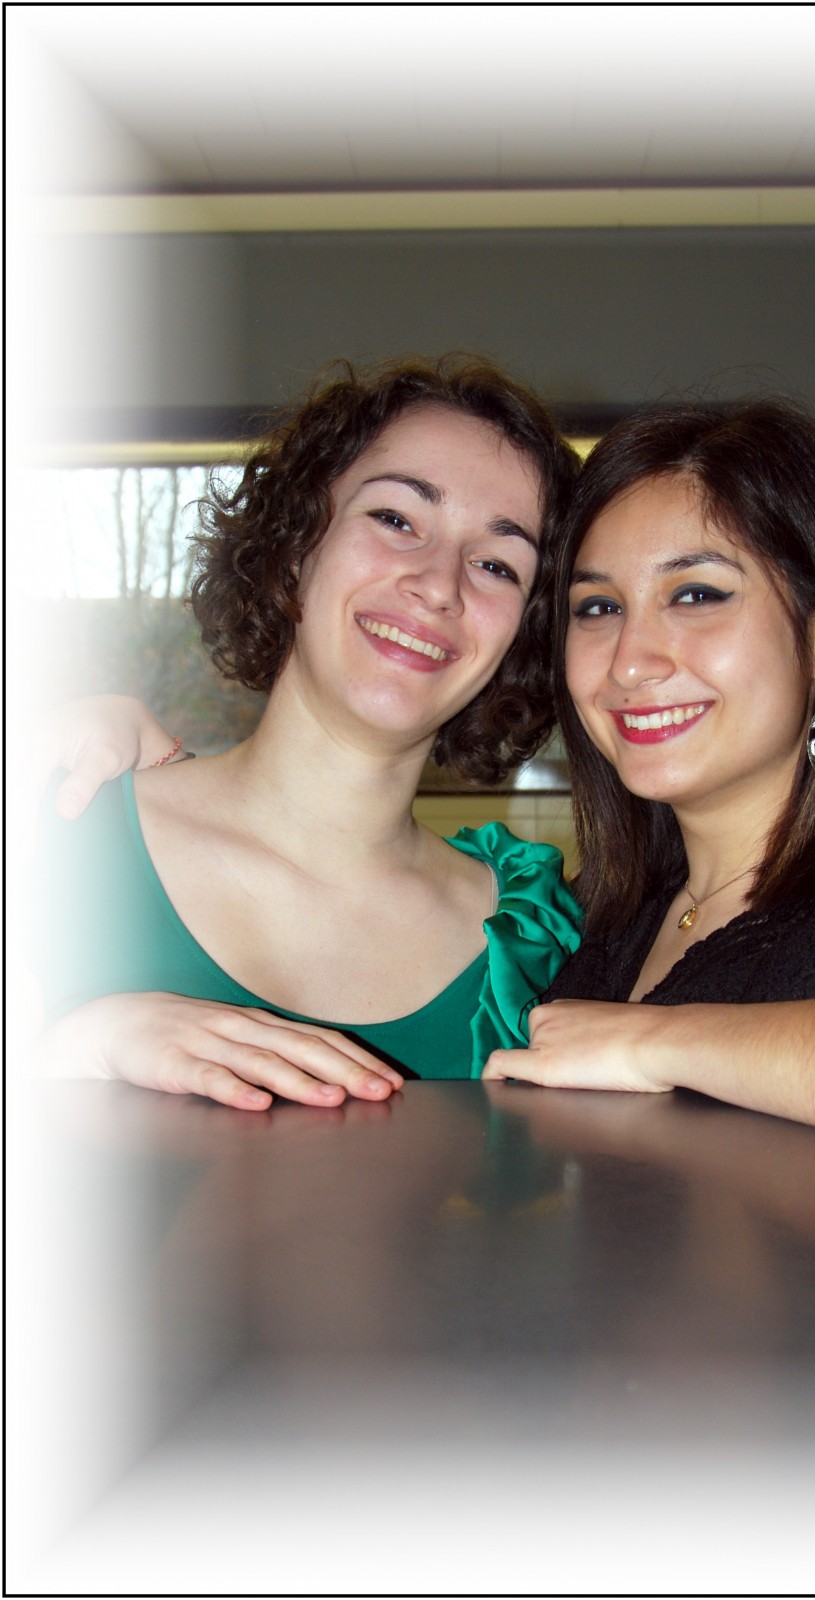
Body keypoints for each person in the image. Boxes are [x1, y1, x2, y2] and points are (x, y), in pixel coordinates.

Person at [32, 357, 582, 1110]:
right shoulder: (54, 826)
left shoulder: (536, 943)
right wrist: (68, 1049)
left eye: (496, 563)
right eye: (395, 520)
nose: (438, 584)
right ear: (297, 542)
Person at [481, 400, 815, 1146]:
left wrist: (654, 1043)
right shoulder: (600, 917)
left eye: (696, 595)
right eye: (597, 607)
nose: (629, 662)